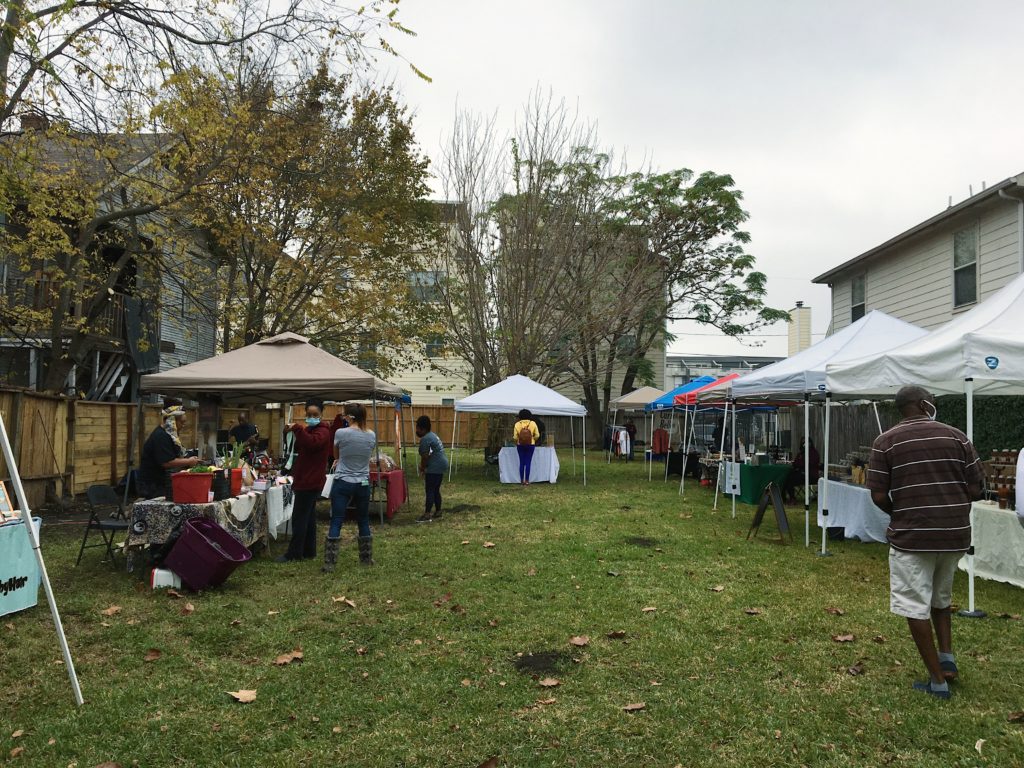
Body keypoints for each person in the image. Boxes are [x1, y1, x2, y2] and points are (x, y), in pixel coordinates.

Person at [867, 385, 983, 700]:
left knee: (914, 606)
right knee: (941, 599)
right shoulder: (958, 437)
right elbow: (976, 489)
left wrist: (901, 511)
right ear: (923, 404)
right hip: (955, 534)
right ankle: (947, 659)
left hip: (912, 537)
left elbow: (878, 495)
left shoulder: (885, 442)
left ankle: (937, 681)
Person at [276, 400, 332, 563]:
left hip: (310, 481)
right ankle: (309, 551)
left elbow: (311, 443)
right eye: (309, 415)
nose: (311, 417)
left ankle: (294, 553)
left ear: (321, 415)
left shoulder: (323, 432)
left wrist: (298, 429)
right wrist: (290, 432)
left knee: (299, 518)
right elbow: (301, 445)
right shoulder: (310, 430)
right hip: (305, 479)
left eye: (315, 415)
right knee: (308, 518)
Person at [323, 403, 377, 572]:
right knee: (363, 519)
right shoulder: (371, 435)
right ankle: (366, 559)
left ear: (350, 417)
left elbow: (335, 454)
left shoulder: (341, 433)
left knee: (337, 519)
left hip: (343, 481)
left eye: (345, 416)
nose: (343, 418)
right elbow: (367, 455)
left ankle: (330, 563)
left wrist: (341, 460)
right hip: (363, 482)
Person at [137, 399, 200, 498]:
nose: (183, 426)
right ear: (172, 421)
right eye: (182, 422)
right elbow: (167, 462)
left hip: (162, 483)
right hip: (153, 486)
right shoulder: (161, 436)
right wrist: (188, 461)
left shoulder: (169, 436)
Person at [415, 415, 448, 523]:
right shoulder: (433, 435)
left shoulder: (425, 439)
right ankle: (438, 511)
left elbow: (425, 457)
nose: (416, 430)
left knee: (429, 489)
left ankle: (427, 514)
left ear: (422, 428)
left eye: (417, 428)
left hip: (435, 466)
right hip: (442, 464)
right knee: (436, 489)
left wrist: (422, 468)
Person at [783, 438, 821, 505]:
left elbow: (808, 464)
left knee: (790, 479)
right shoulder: (801, 453)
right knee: (786, 476)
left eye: (806, 442)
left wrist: (799, 464)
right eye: (803, 443)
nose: (805, 444)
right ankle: (784, 497)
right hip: (802, 474)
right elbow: (795, 463)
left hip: (811, 475)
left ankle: (792, 498)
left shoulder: (814, 453)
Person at [512, 408, 540, 486]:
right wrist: (533, 439)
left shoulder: (517, 424)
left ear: (520, 416)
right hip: (531, 445)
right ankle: (527, 480)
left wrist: (519, 440)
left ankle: (521, 480)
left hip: (520, 445)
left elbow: (514, 437)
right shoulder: (533, 423)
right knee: (528, 462)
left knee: (521, 462)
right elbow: (537, 435)